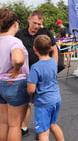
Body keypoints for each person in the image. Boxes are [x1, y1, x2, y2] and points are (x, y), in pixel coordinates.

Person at [15, 10, 58, 138]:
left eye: (39, 24)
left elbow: (54, 49)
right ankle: (24, 127)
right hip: (26, 74)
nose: (37, 26)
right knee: (25, 103)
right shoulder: (19, 35)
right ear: (29, 19)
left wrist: (53, 67)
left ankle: (43, 130)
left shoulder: (46, 33)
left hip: (44, 74)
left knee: (45, 104)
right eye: (34, 23)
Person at [0, 8, 30, 141]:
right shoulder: (15, 42)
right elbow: (18, 59)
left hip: (0, 83)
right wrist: (17, 68)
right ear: (15, 24)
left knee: (3, 122)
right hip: (14, 84)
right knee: (14, 125)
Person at [27, 35, 64, 141]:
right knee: (53, 125)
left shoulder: (35, 68)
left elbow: (31, 89)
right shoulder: (53, 62)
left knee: (43, 133)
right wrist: (54, 48)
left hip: (43, 103)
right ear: (49, 48)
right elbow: (55, 53)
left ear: (34, 48)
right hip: (55, 99)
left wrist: (30, 94)